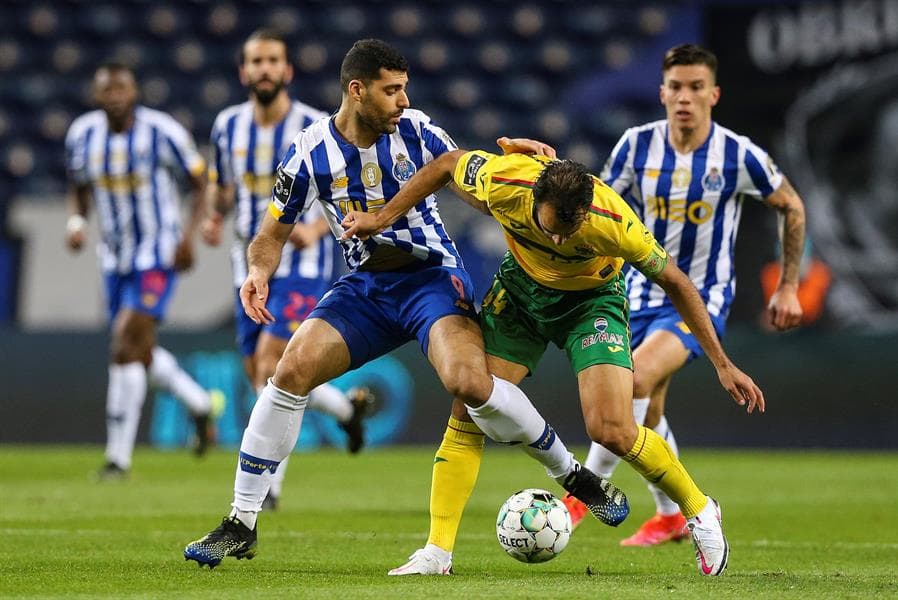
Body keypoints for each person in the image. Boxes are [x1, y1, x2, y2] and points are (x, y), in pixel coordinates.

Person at [183, 39, 625, 571]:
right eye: (391, 90)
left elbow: (472, 183)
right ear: (357, 90)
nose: (403, 100)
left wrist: (529, 177)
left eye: (405, 89)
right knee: (289, 371)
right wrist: (258, 272)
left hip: (431, 280)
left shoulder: (417, 131)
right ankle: (241, 522)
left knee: (468, 383)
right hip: (366, 288)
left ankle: (572, 475)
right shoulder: (308, 151)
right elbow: (270, 234)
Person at [341, 146, 766, 576]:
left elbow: (676, 282)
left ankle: (700, 510)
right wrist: (381, 218)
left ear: (586, 210)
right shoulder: (505, 181)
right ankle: (438, 552)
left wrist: (722, 363)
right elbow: (447, 164)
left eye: (569, 231)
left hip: (591, 304)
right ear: (534, 199)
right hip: (520, 296)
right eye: (549, 229)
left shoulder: (614, 222)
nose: (559, 241)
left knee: (612, 430)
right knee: (470, 408)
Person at [562, 43, 806, 546]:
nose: (685, 97)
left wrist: (788, 285)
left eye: (696, 88)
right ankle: (672, 514)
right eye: (676, 87)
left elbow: (792, 206)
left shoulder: (737, 154)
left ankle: (582, 495)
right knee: (648, 411)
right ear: (662, 93)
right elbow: (601, 206)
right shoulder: (636, 145)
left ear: (714, 94)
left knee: (635, 379)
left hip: (701, 299)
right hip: (636, 293)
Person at [201, 29, 374, 511]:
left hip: (302, 264)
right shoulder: (227, 126)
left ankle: (268, 488)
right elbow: (222, 185)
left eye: (273, 60)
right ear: (244, 72)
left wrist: (315, 230)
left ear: (287, 70)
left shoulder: (316, 127)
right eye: (256, 61)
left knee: (270, 363)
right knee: (260, 374)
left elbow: (344, 195)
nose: (265, 69)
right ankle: (345, 410)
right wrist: (214, 215)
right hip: (249, 265)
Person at [64, 63, 221, 478]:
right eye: (107, 90)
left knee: (123, 342)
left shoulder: (162, 131)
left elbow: (201, 181)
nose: (115, 96)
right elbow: (78, 185)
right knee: (139, 349)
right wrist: (77, 221)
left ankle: (118, 459)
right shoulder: (82, 135)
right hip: (113, 257)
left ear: (134, 92)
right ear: (97, 96)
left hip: (158, 254)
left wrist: (187, 237)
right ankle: (200, 405)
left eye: (122, 88)